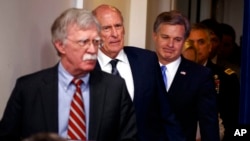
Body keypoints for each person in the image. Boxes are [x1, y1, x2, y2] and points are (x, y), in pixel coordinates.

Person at [0, 8, 137, 141]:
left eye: (96, 42)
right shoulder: (28, 89)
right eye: (84, 42)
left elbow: (129, 138)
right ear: (60, 45)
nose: (92, 49)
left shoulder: (115, 88)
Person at [92, 4, 185, 141]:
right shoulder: (85, 68)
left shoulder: (146, 60)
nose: (115, 34)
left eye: (118, 26)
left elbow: (166, 114)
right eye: (106, 28)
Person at [152, 10, 220, 141]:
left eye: (177, 39)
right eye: (165, 37)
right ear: (155, 36)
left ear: (184, 41)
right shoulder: (140, 67)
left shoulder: (200, 76)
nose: (170, 45)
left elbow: (209, 127)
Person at [187, 23, 240, 141]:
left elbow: (232, 124)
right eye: (191, 42)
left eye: (201, 42)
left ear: (209, 46)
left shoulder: (226, 78)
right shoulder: (173, 74)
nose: (196, 47)